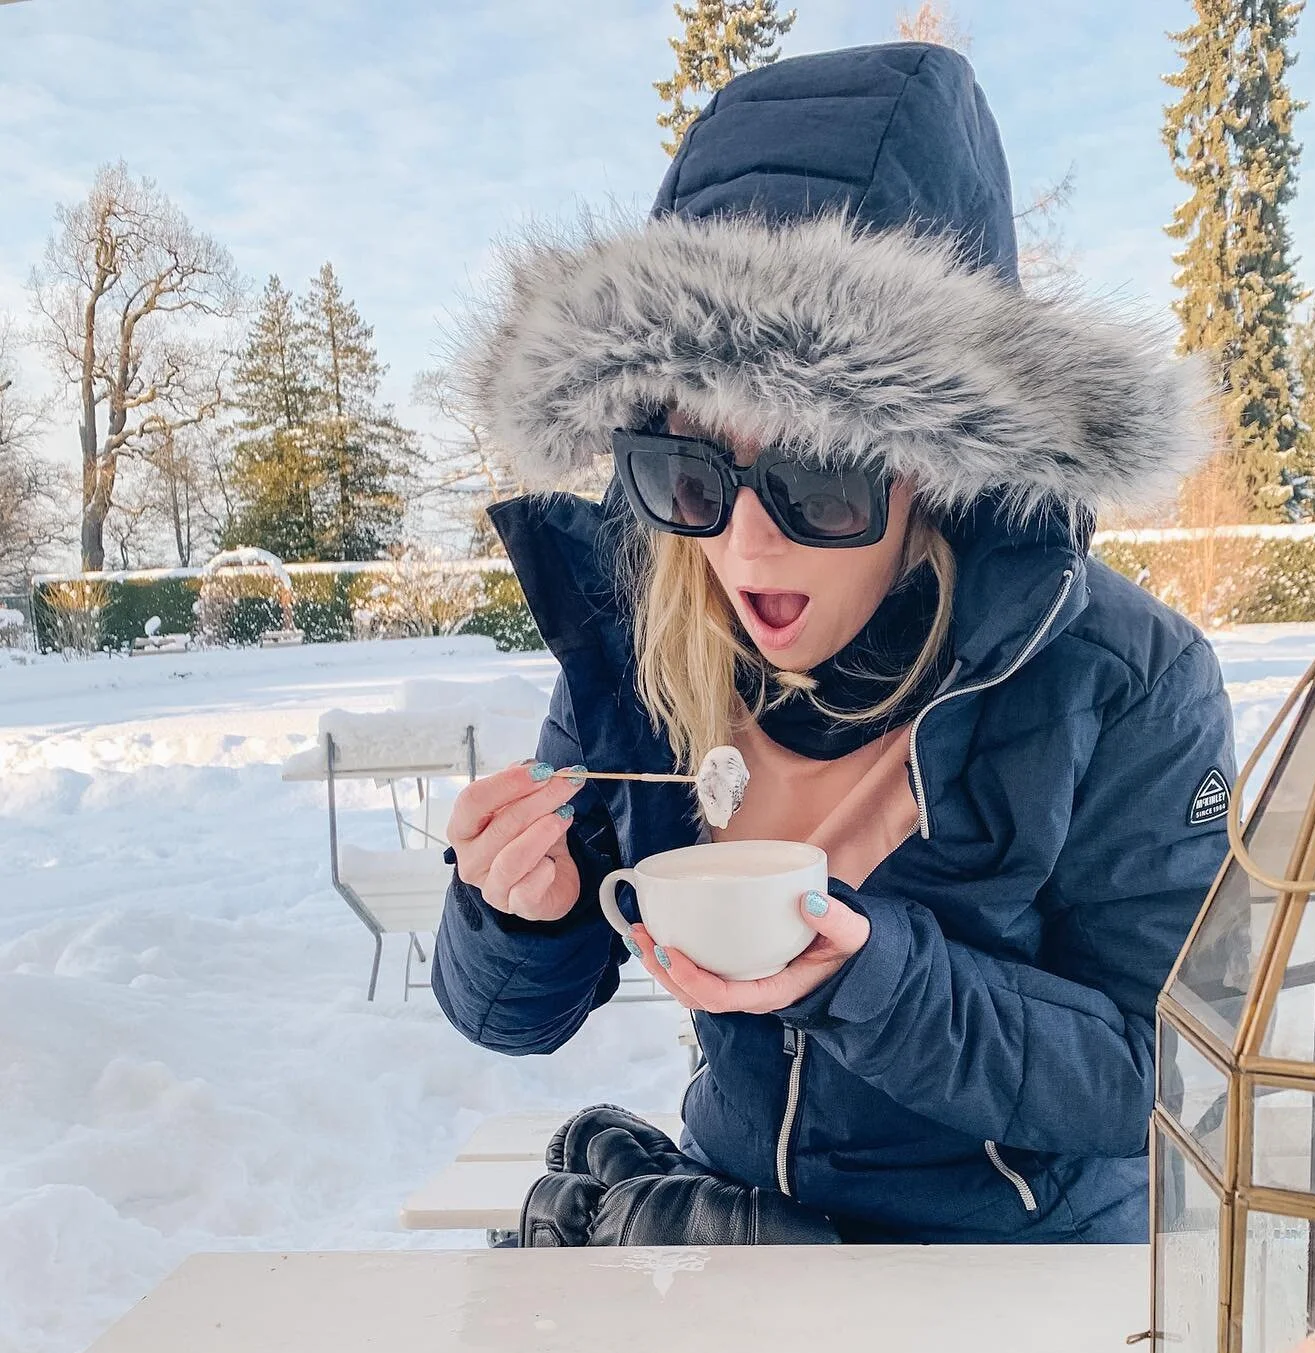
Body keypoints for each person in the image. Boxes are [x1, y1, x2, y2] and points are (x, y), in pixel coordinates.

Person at [433, 42, 1234, 1246]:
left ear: (933, 467)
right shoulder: (650, 641)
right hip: (744, 1233)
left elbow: (1168, 1075)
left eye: (819, 480)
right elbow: (512, 1020)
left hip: (1024, 1272)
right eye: (685, 472)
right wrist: (516, 914)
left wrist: (878, 986)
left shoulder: (1121, 678)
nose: (746, 551)